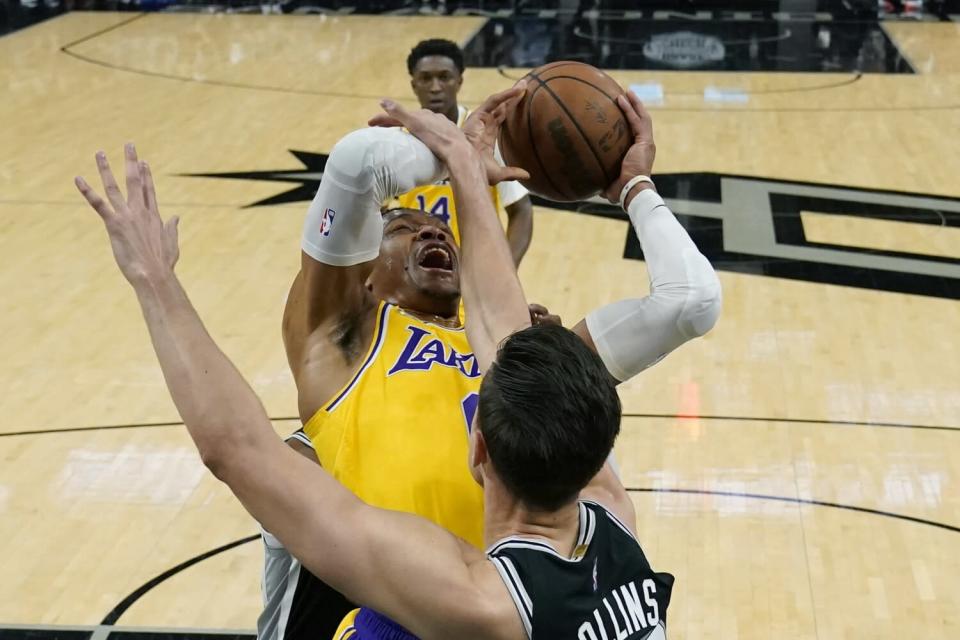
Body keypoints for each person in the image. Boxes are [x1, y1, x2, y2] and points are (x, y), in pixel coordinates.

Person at [75, 88, 690, 639]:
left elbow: (237, 447)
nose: (432, 233)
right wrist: (471, 180)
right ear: (598, 453)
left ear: (478, 450)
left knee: (374, 630)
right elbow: (500, 326)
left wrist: (154, 279)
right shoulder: (616, 526)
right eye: (405, 224)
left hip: (413, 587)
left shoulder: (482, 602)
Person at [272, 82, 720, 638]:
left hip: (531, 610)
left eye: (440, 228)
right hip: (412, 616)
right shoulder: (340, 341)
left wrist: (635, 188)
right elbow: (357, 161)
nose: (432, 228)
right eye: (401, 227)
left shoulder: (526, 355)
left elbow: (689, 301)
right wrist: (452, 153)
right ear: (362, 275)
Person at [393, 38, 534, 265]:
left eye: (444, 77)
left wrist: (506, 272)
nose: (436, 87)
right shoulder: (398, 139)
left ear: (459, 81)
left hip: (472, 273)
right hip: (414, 272)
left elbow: (521, 211)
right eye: (426, 78)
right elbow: (374, 212)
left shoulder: (485, 137)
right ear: (414, 84)